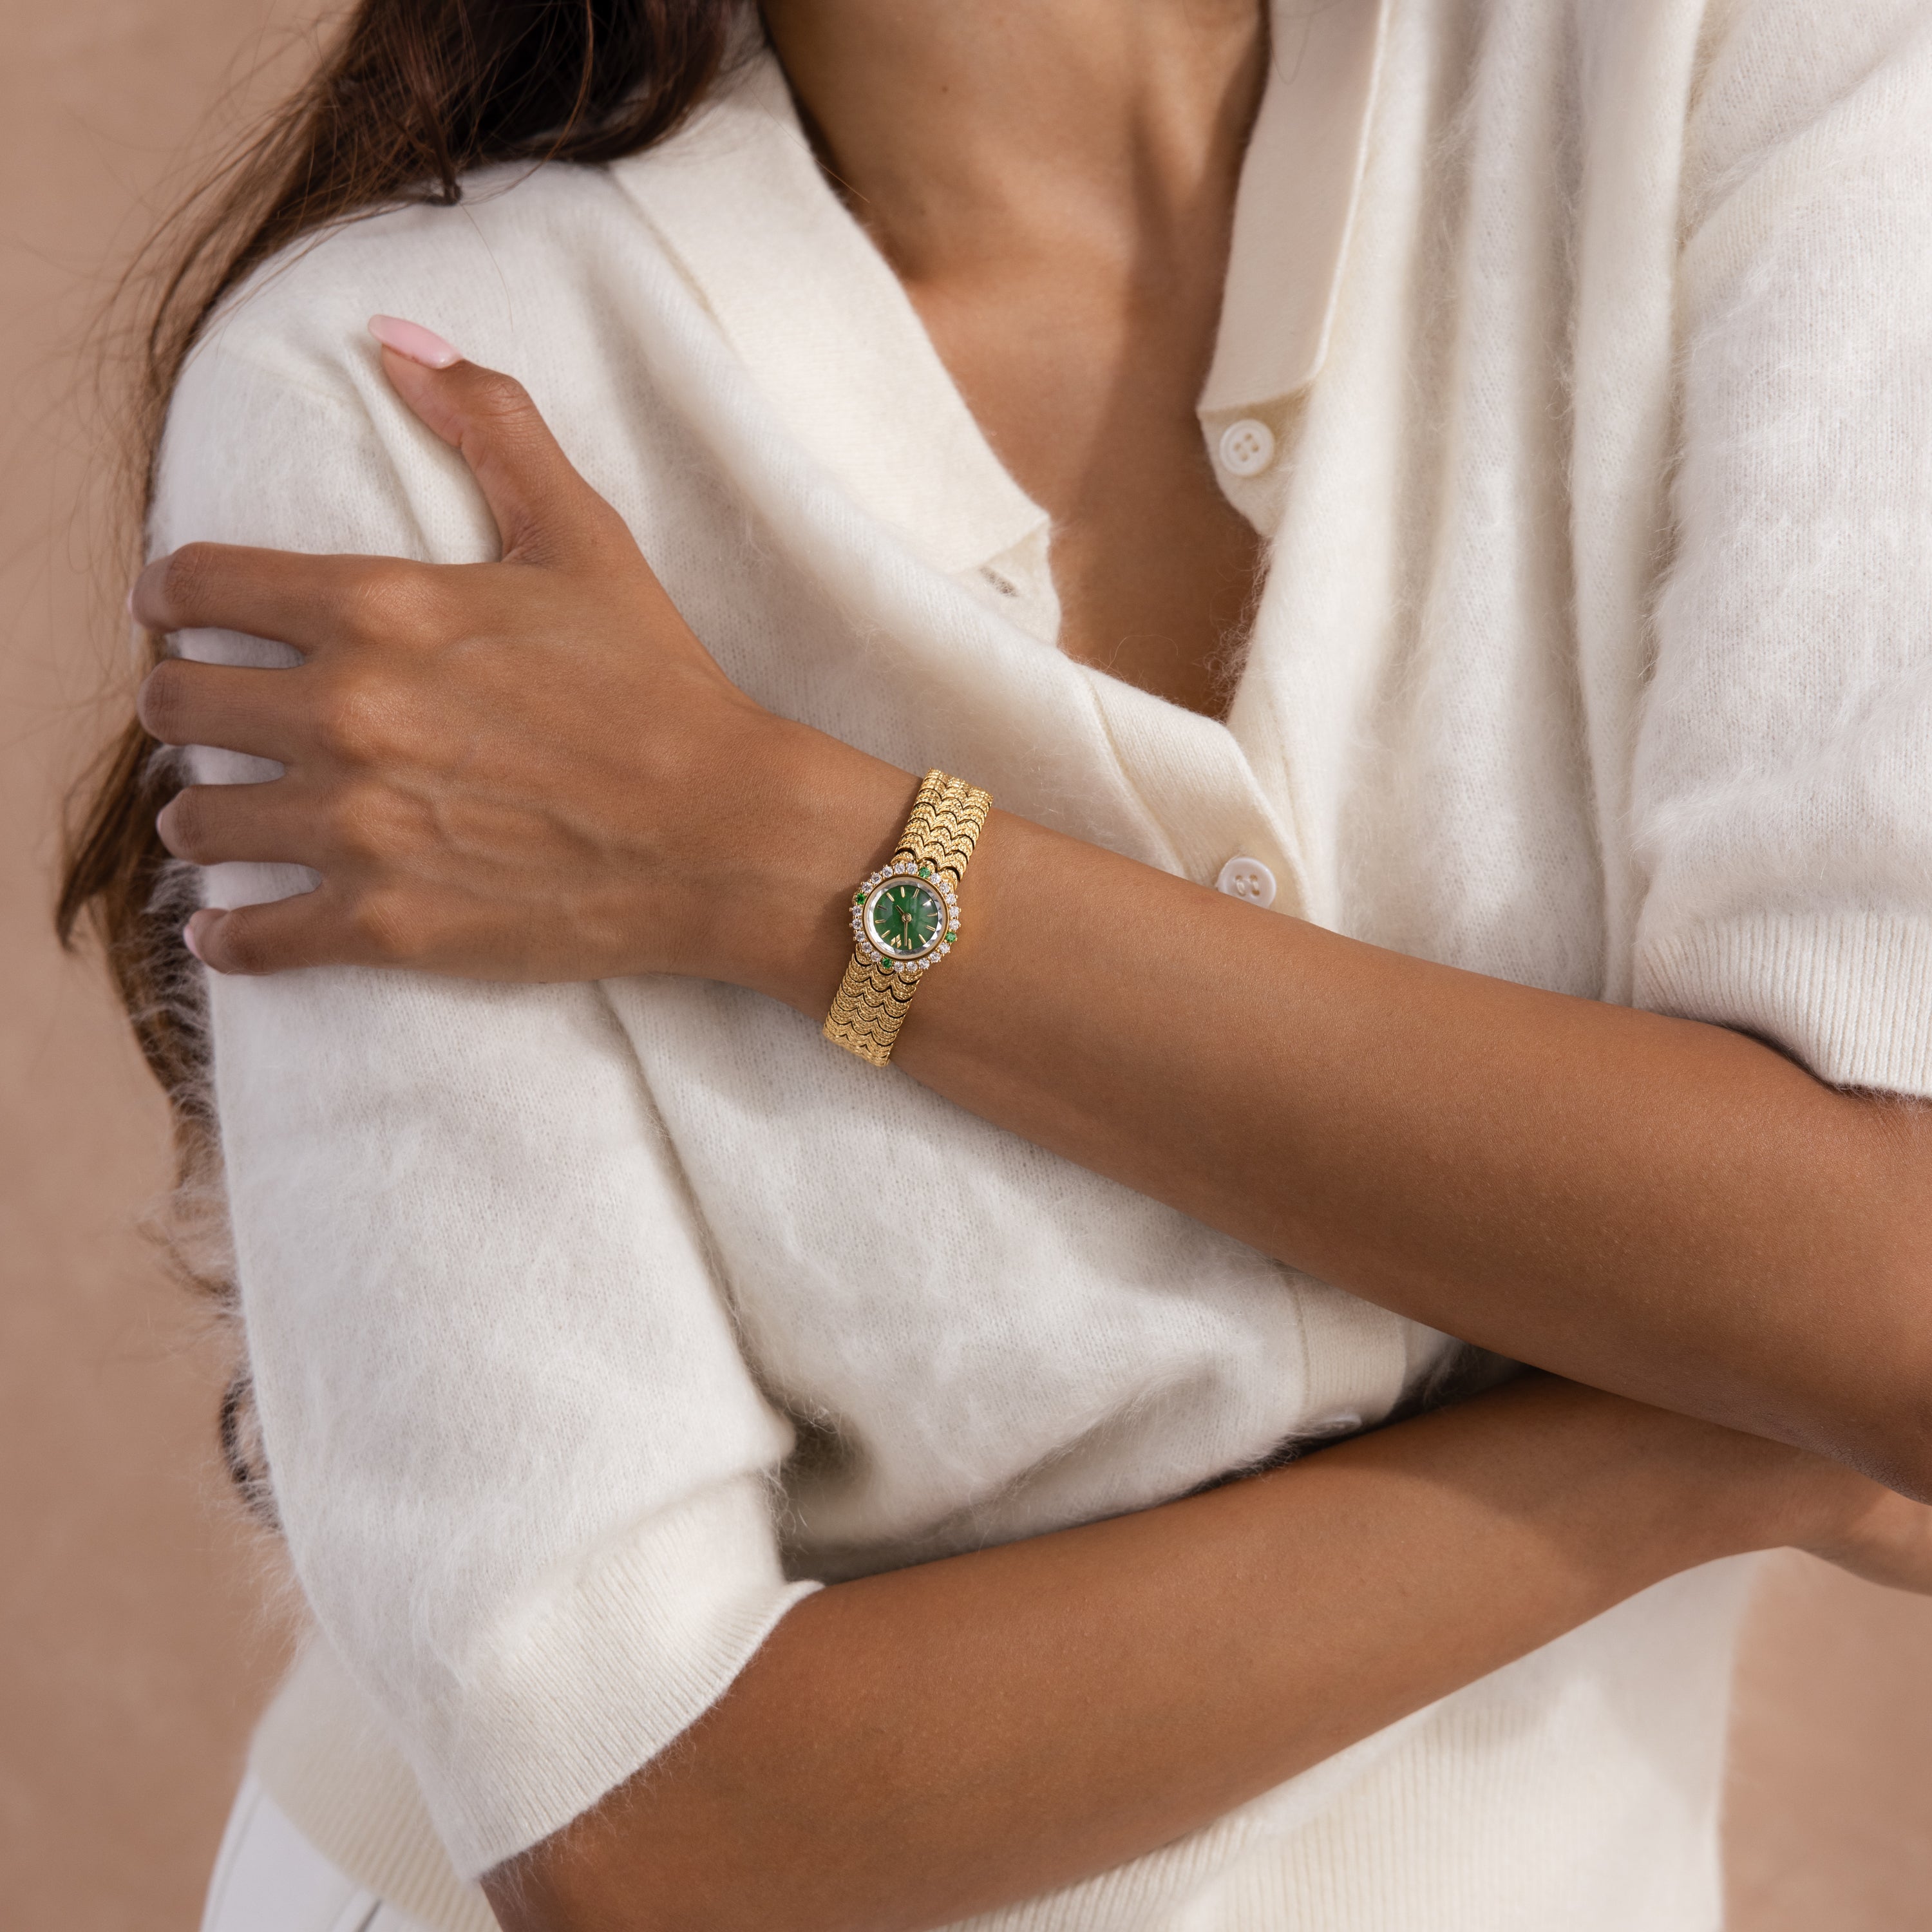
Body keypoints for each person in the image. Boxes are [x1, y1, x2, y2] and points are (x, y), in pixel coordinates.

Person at [59, 0, 1932, 1927]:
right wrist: (1737, 1437)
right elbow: (649, 1825)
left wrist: (778, 856)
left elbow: (1899, 1283)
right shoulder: (412, 399)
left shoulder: (1747, 62)